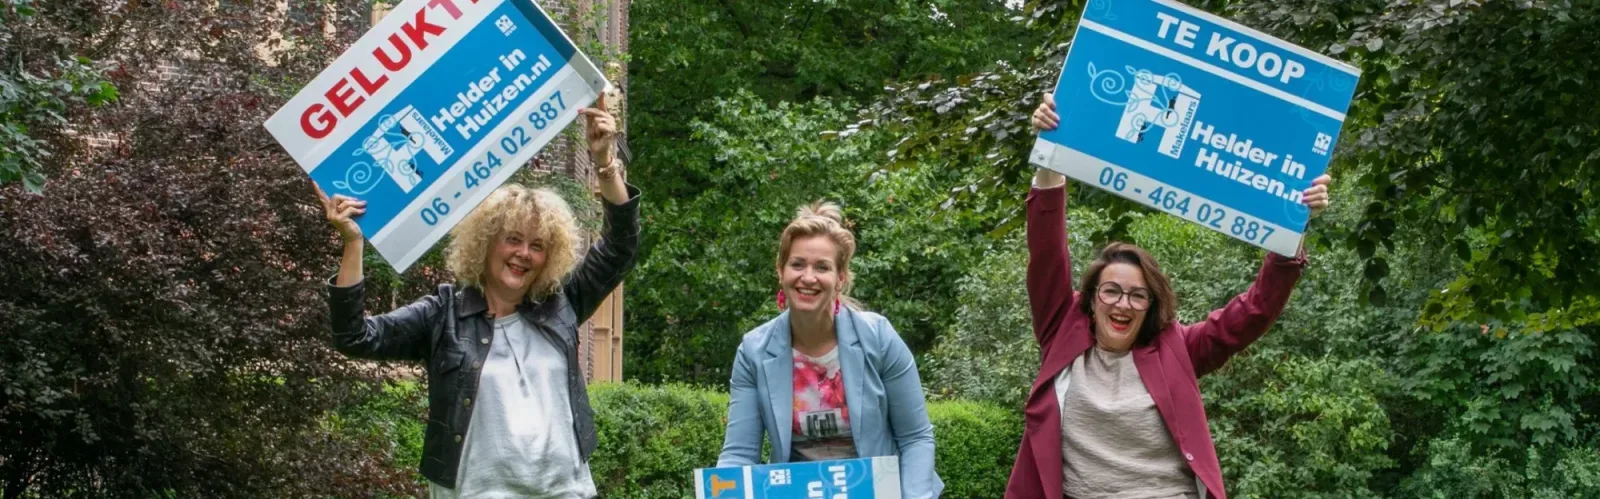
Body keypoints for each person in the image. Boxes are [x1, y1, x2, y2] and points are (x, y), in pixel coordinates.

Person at [1007, 94, 1332, 499]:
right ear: (1091, 300)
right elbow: (1046, 256)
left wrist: (1294, 225)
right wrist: (1050, 158)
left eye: (1138, 296)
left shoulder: (1177, 347)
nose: (1123, 303)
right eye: (1111, 291)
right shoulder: (1062, 332)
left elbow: (1254, 311)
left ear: (1151, 306)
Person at [317, 96, 638, 498]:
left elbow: (620, 247)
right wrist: (353, 244)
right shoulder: (443, 314)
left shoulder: (562, 303)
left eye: (537, 246)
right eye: (513, 240)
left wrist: (605, 164)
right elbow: (354, 337)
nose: (524, 253)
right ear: (486, 244)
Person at [717, 201, 943, 499]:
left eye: (822, 267)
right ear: (780, 271)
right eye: (797, 264)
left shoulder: (878, 337)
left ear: (840, 279)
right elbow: (739, 455)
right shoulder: (753, 351)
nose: (808, 277)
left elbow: (915, 438)